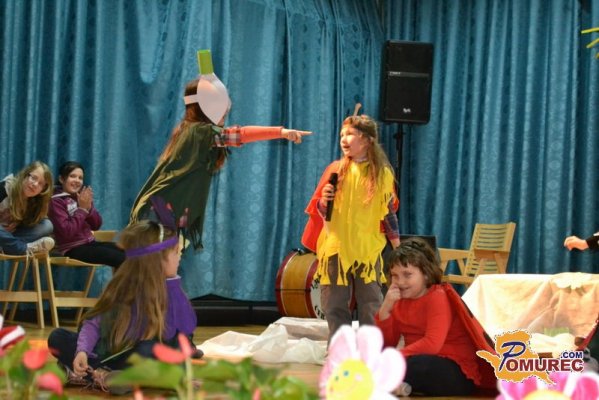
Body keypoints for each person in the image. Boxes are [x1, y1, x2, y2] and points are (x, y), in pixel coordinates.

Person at [130, 50, 311, 250]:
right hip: (159, 212)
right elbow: (239, 135)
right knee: (154, 265)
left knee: (163, 263)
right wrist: (281, 132)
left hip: (164, 212)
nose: (225, 109)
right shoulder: (199, 133)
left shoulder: (192, 132)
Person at [47, 218, 198, 393]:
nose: (179, 257)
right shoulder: (123, 286)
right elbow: (93, 324)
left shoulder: (173, 291)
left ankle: (93, 375)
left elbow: (182, 338)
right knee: (57, 337)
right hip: (113, 356)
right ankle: (107, 375)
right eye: (175, 253)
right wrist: (82, 352)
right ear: (157, 259)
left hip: (142, 358)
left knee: (149, 349)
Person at [301, 114, 399, 341]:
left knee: (370, 302)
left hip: (367, 250)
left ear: (367, 140)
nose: (343, 139)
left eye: (350, 134)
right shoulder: (336, 170)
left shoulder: (382, 174)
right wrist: (324, 201)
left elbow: (388, 212)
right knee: (333, 302)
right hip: (336, 247)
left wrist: (397, 247)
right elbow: (322, 212)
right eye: (341, 135)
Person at [375, 238, 496, 397]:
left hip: (457, 372)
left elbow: (432, 344)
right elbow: (387, 344)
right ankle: (398, 384)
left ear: (426, 274)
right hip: (420, 362)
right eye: (395, 276)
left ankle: (390, 382)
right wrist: (385, 310)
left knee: (419, 364)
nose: (400, 282)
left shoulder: (437, 296)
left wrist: (396, 357)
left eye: (407, 275)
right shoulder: (399, 300)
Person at [48, 161, 125, 268]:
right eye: (72, 176)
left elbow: (96, 225)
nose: (77, 180)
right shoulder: (56, 201)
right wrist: (82, 209)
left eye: (80, 178)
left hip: (90, 243)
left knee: (129, 252)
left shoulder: (82, 197)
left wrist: (89, 207)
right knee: (121, 258)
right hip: (72, 249)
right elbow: (67, 232)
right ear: (61, 179)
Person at [0, 161, 55, 255]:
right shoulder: (4, 188)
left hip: (10, 236)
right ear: (25, 175)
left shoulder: (35, 201)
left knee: (47, 225)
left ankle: (8, 247)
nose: (35, 184)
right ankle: (23, 248)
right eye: (34, 178)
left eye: (41, 184)